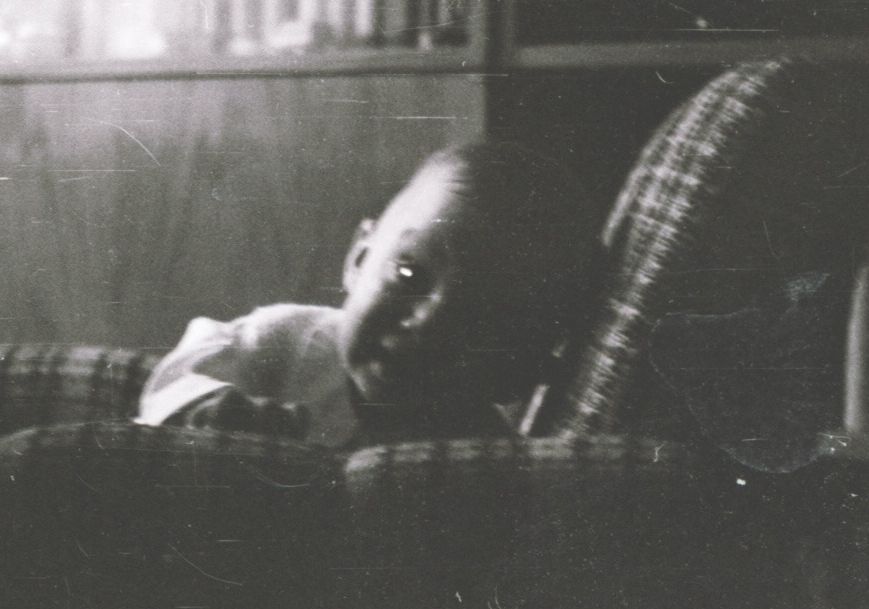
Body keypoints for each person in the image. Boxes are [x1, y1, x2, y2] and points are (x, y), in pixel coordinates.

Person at [135, 141, 598, 448]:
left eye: (479, 318)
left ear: (519, 374)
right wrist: (206, 409)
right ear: (359, 258)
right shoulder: (284, 343)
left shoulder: (481, 455)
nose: (427, 322)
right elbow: (167, 386)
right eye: (410, 273)